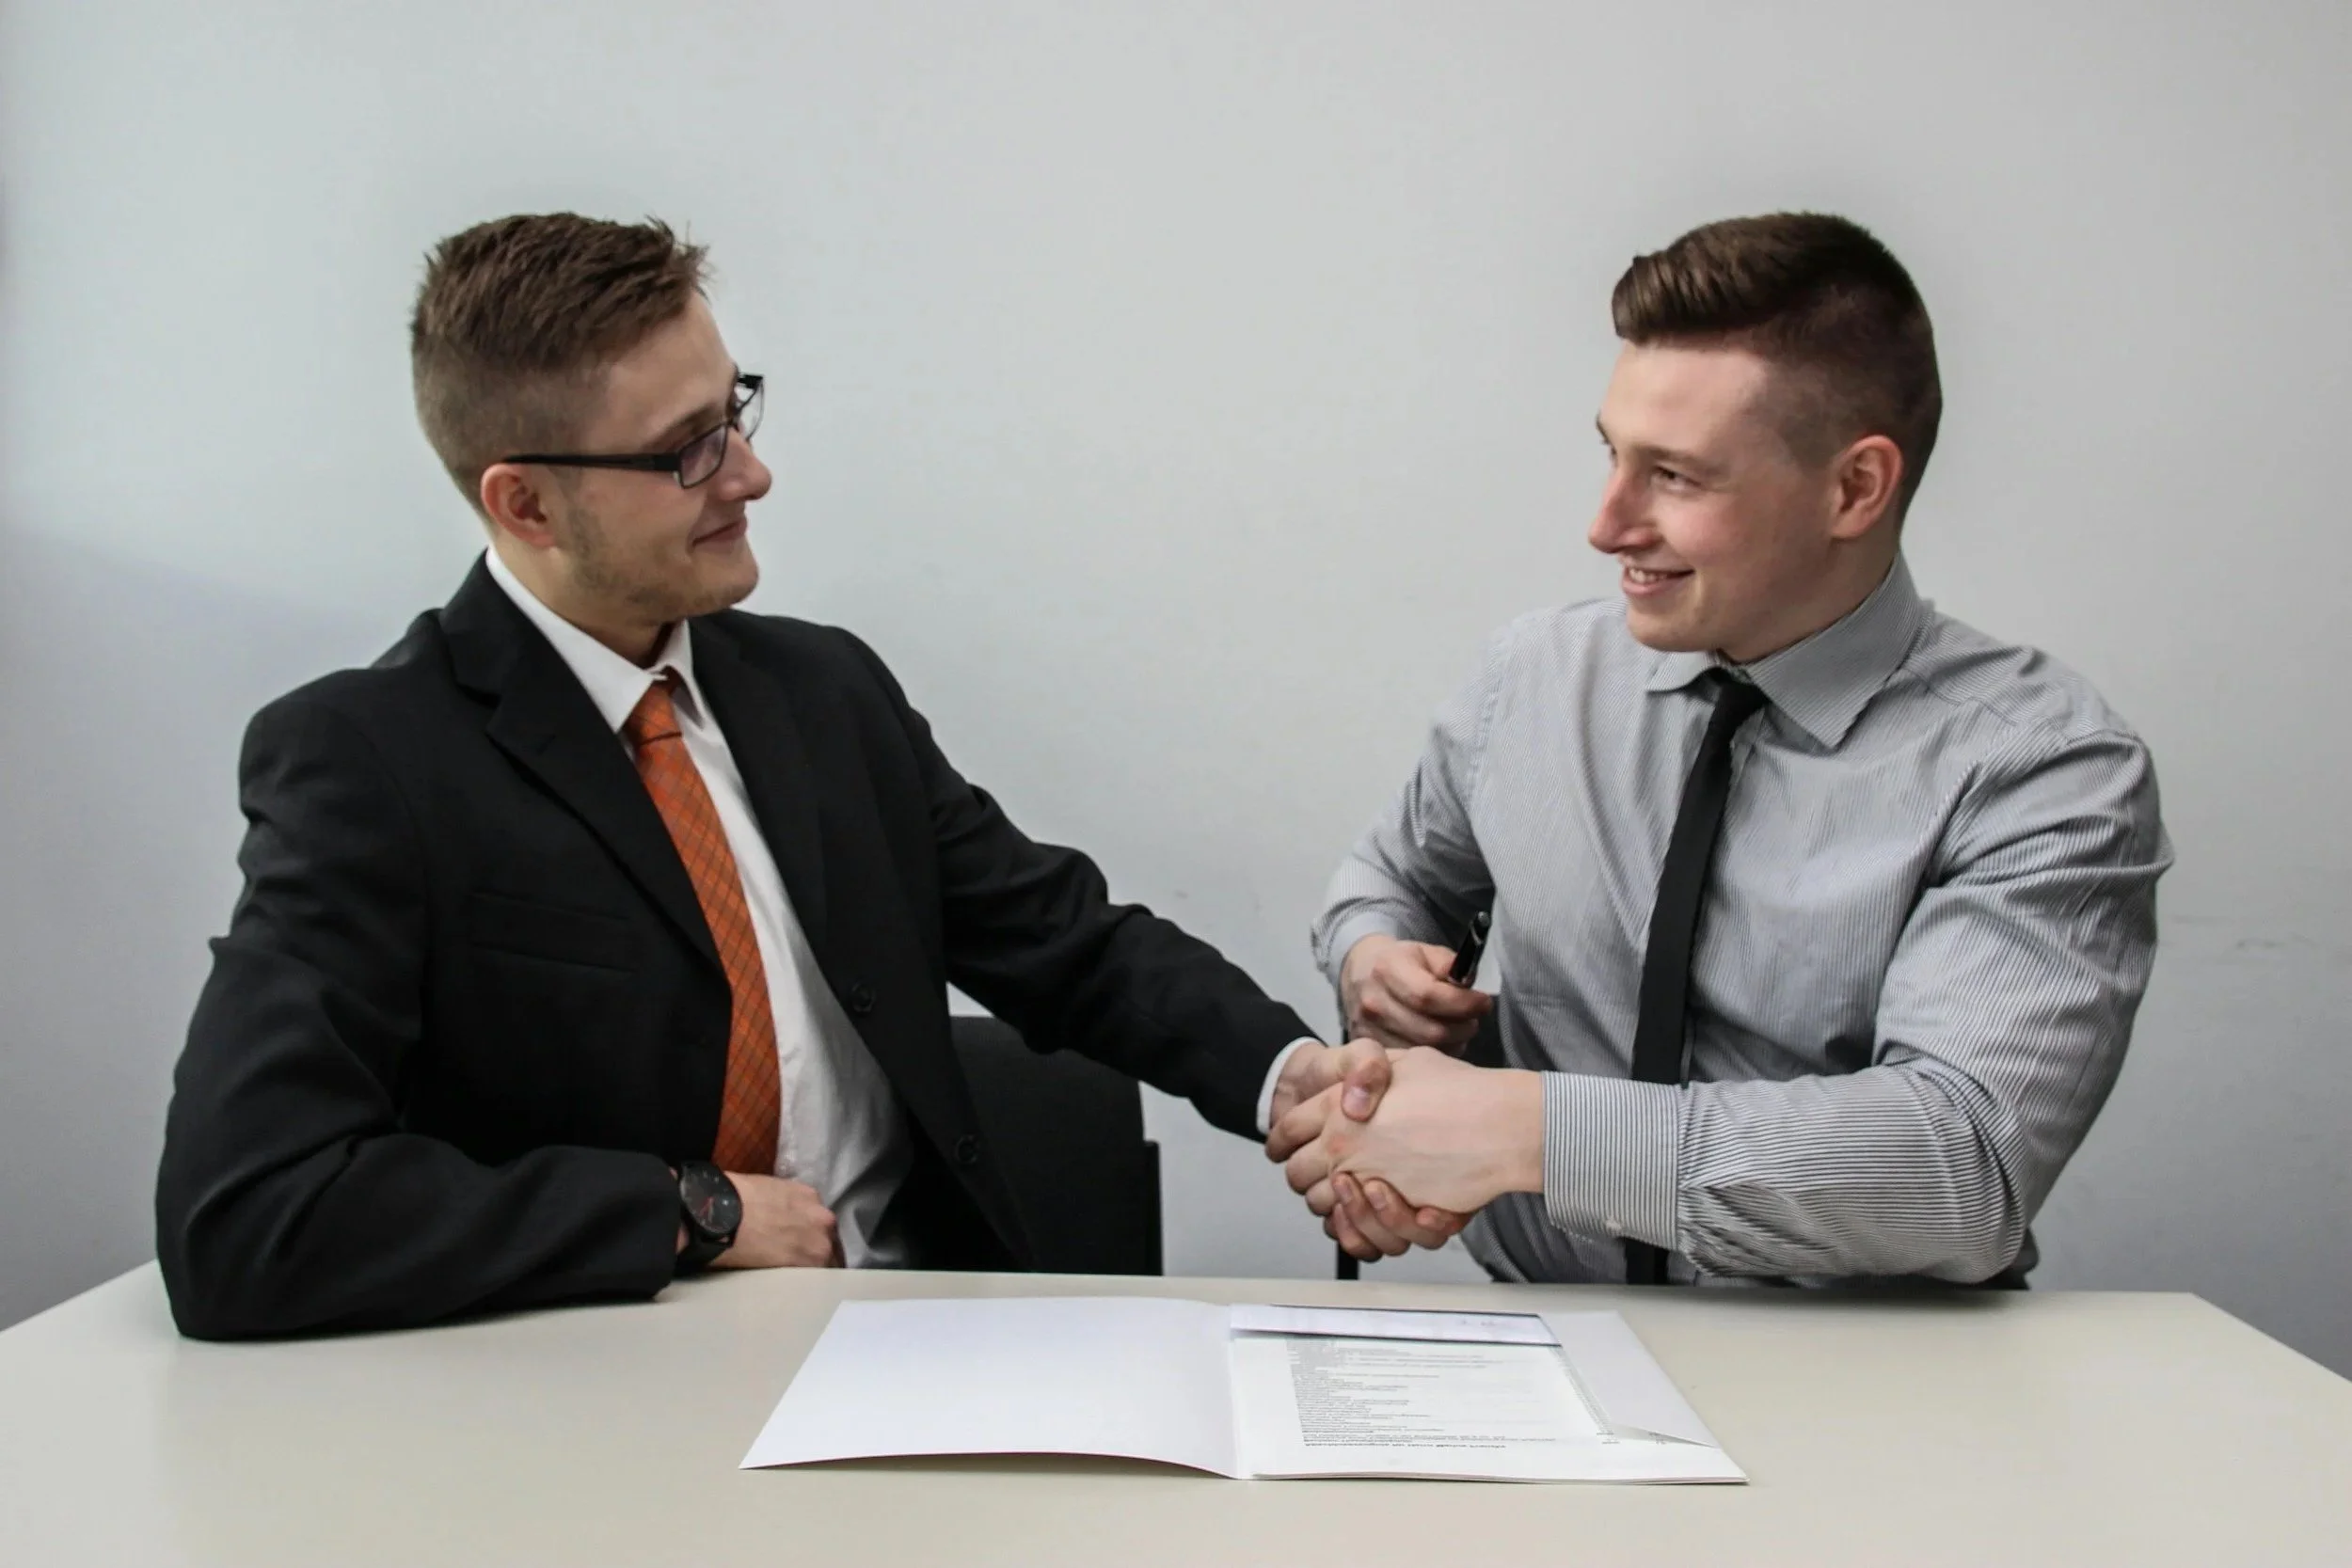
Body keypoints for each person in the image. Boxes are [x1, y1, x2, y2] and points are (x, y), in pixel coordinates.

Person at [155, 213, 1391, 1338]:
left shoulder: (822, 694)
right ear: (524, 501)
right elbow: (248, 1212)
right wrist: (689, 1209)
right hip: (604, 1395)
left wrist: (1300, 1082)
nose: (748, 474)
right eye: (685, 453)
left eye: (733, 412)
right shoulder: (370, 760)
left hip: (924, 1345)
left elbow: (1069, 944)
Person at [1272, 213, 2171, 1285]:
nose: (1606, 525)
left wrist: (1530, 1130)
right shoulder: (1531, 678)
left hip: (1874, 1386)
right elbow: (1390, 879)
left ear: (1854, 489)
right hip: (1539, 1342)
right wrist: (1377, 961)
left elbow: (1957, 1168)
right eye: (1612, 455)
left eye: (1677, 476)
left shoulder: (2043, 770)